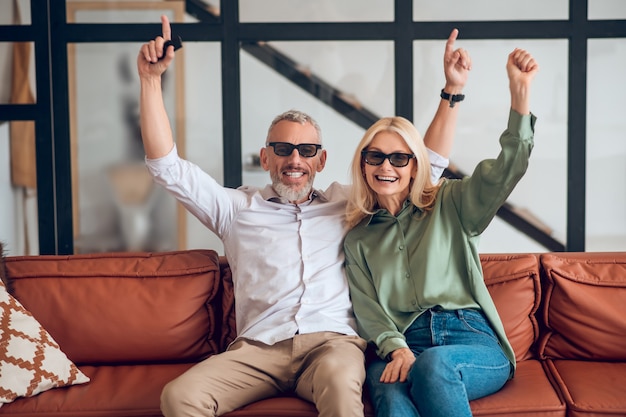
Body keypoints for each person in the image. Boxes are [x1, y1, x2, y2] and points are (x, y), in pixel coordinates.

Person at [137, 14, 471, 417]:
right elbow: (166, 167)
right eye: (282, 149)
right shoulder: (235, 209)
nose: (294, 160)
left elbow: (422, 167)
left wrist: (451, 91)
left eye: (306, 151)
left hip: (332, 347)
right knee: (179, 396)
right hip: (257, 350)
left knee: (340, 385)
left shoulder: (349, 203)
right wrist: (151, 81)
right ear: (265, 157)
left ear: (321, 160)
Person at [343, 48, 539, 417]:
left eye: (399, 158)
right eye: (376, 156)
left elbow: (506, 171)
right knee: (389, 395)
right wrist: (396, 348)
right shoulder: (358, 240)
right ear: (363, 164)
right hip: (403, 343)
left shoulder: (451, 203)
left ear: (416, 165)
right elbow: (369, 312)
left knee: (434, 367)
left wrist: (519, 96)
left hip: (470, 338)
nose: (387, 166)